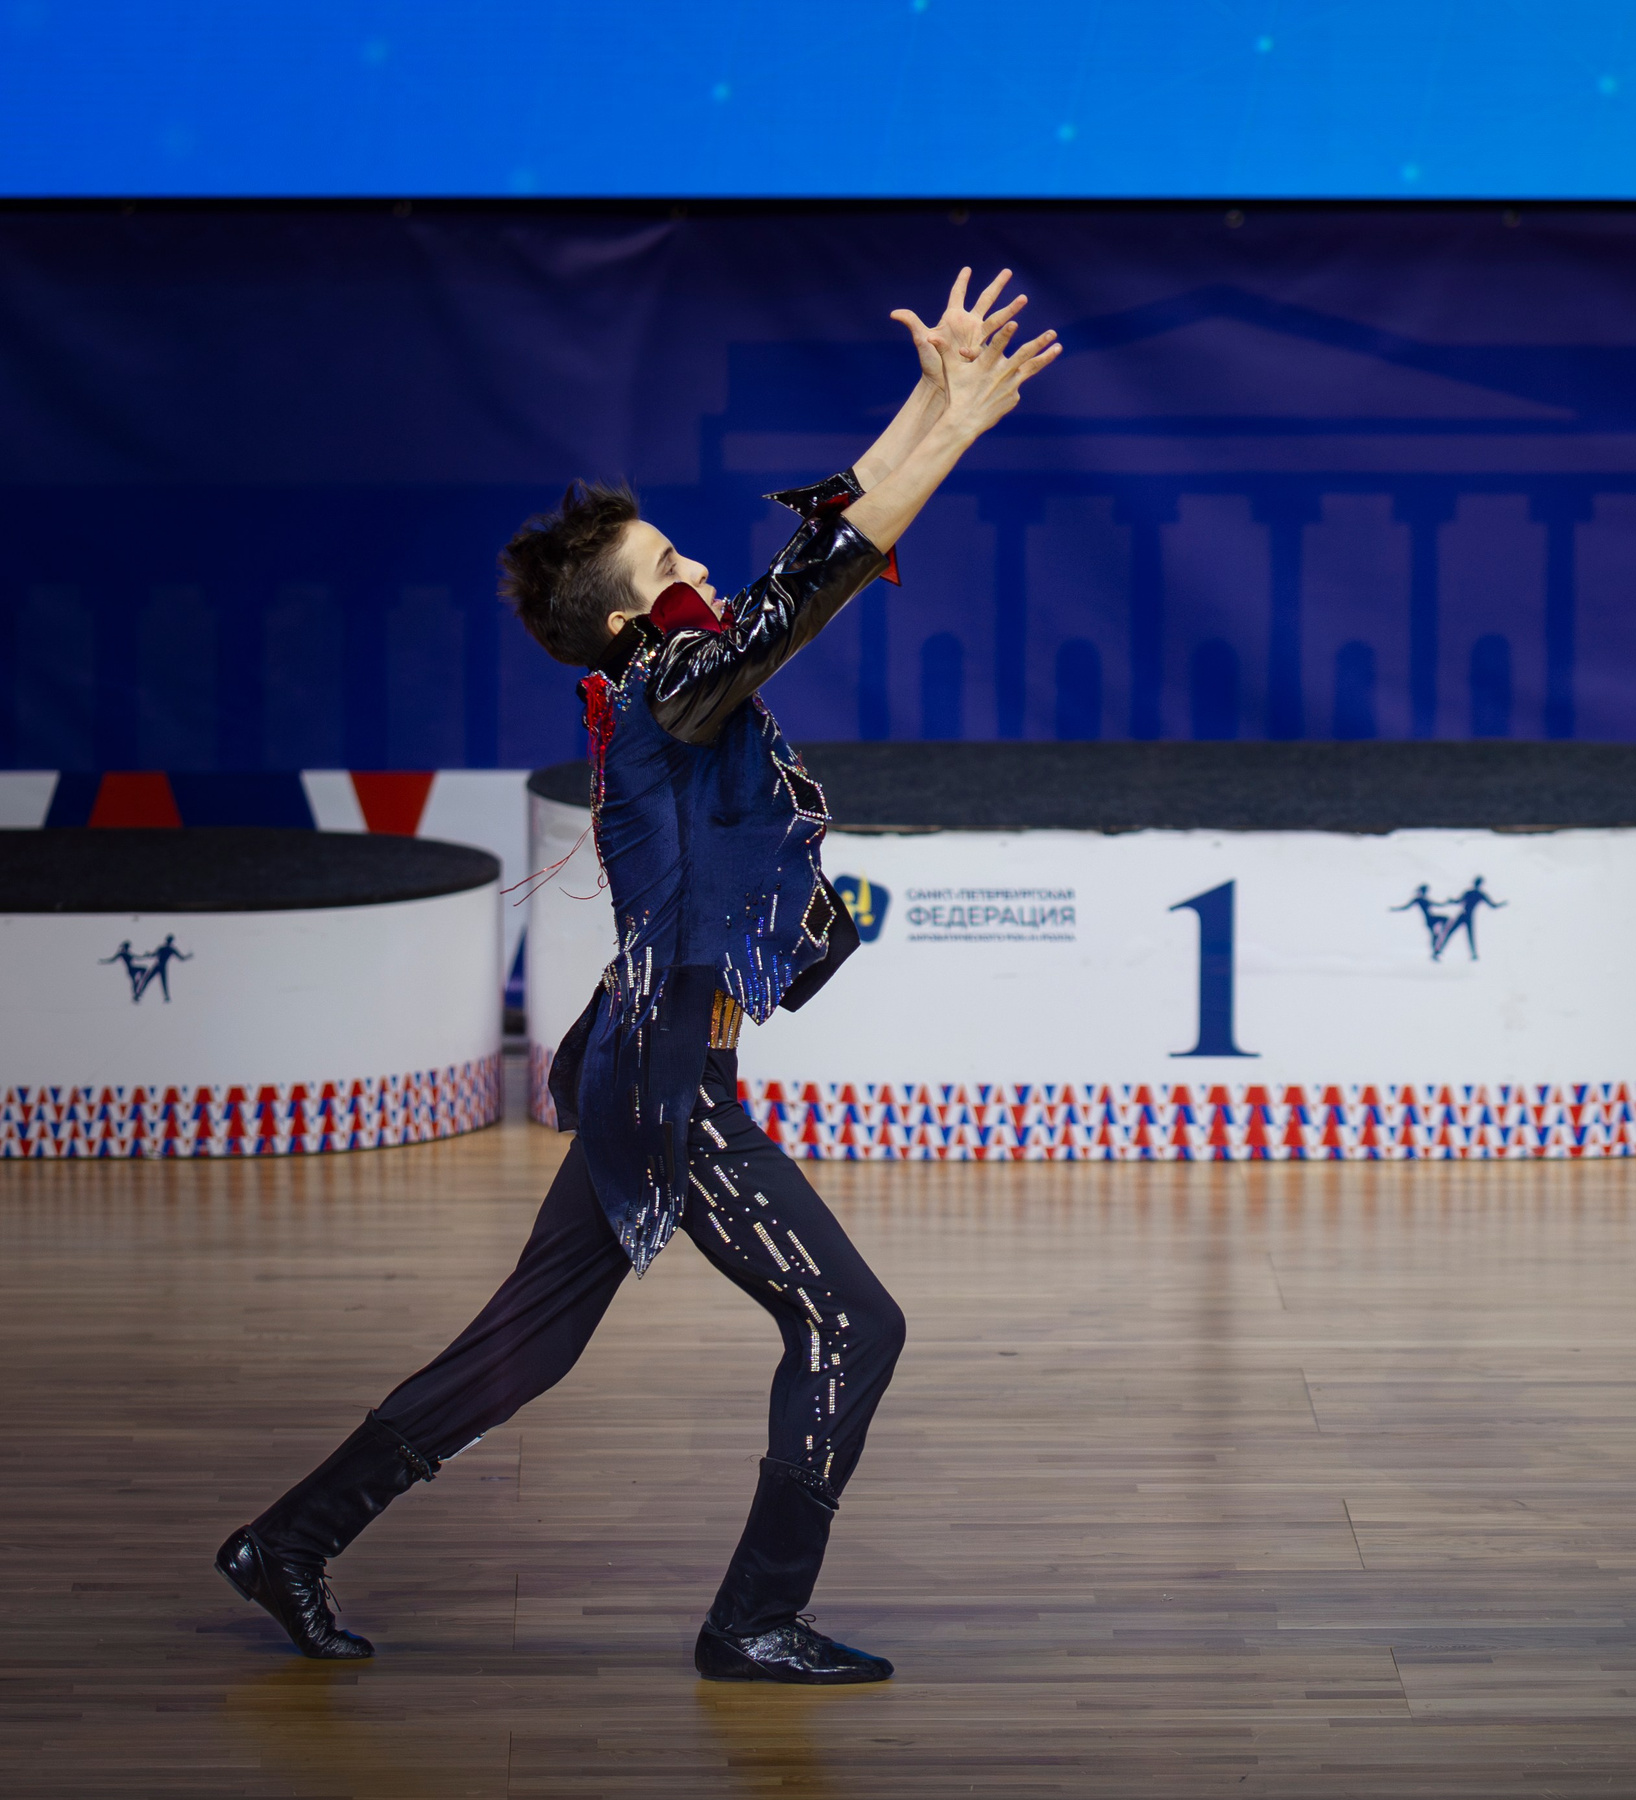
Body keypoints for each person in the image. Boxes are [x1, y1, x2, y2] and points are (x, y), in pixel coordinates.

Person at [216, 269, 1061, 1684]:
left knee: (525, 1344)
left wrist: (938, 401)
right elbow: (809, 586)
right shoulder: (672, 688)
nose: (705, 574)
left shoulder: (676, 686)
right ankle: (751, 1619)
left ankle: (286, 1543)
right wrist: (948, 430)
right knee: (851, 1323)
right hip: (669, 1074)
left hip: (649, 1057)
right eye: (675, 567)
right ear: (632, 623)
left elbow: (804, 573)